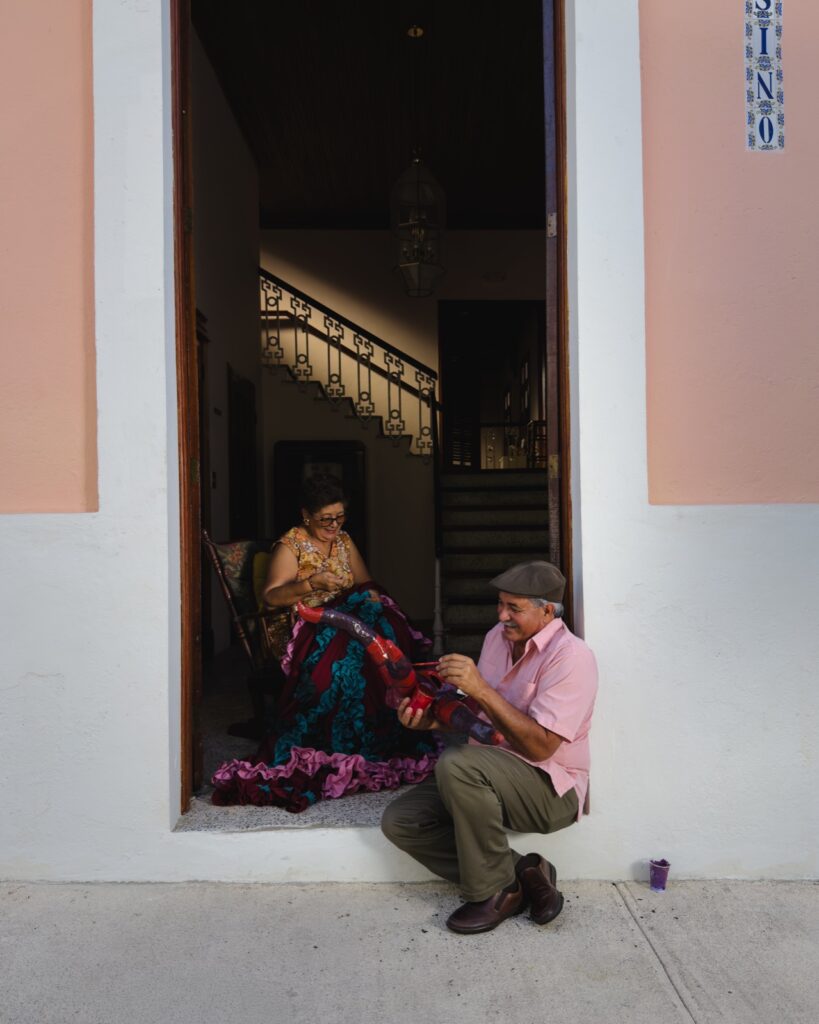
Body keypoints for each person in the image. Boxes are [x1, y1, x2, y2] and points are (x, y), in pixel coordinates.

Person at [381, 560, 598, 934]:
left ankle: (496, 891)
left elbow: (541, 747)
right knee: (402, 823)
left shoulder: (572, 657)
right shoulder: (497, 638)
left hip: (550, 786)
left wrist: (480, 687)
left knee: (457, 763)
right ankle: (523, 872)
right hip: (486, 770)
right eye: (500, 604)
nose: (502, 616)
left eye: (514, 608)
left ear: (547, 610)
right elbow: (475, 714)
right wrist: (429, 721)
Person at [211, 472, 437, 810]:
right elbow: (272, 596)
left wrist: (374, 598)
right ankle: (345, 741)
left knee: (386, 625)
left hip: (349, 615)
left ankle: (385, 732)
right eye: (325, 519)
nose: (334, 525)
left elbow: (366, 582)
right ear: (306, 515)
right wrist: (312, 583)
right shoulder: (291, 544)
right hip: (306, 621)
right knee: (350, 652)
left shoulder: (344, 541)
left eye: (340, 516)